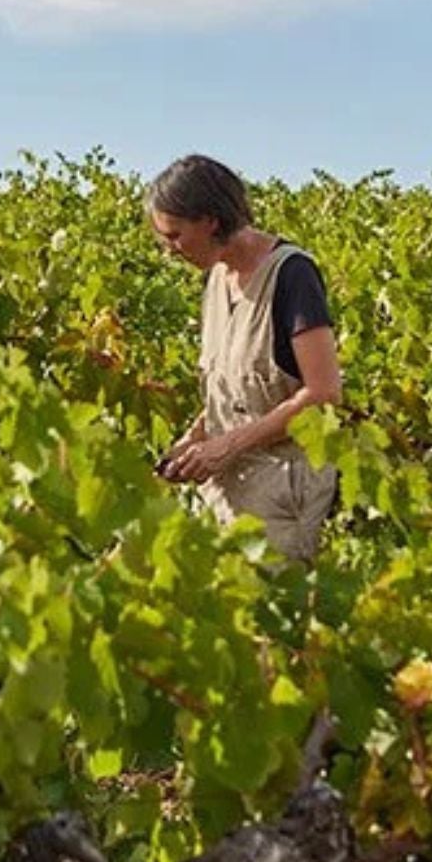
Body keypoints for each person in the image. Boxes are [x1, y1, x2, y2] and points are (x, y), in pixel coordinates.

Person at [149, 154, 340, 561]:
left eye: (175, 236)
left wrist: (228, 446)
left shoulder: (292, 276)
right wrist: (193, 441)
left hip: (282, 494)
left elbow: (324, 395)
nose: (169, 251)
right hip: (227, 497)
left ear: (210, 221)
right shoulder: (217, 279)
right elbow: (233, 388)